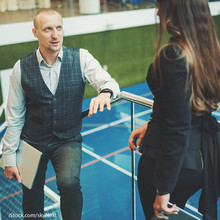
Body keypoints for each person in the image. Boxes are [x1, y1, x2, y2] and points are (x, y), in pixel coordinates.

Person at [1, 8, 120, 220]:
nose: (55, 35)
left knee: (69, 183)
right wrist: (9, 157)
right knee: (31, 195)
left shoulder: (82, 58)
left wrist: (105, 92)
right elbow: (14, 116)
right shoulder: (20, 68)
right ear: (35, 32)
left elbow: (109, 82)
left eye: (59, 28)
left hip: (67, 139)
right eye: (47, 29)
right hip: (32, 140)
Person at [128, 0, 220, 219]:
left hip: (171, 162)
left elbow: (178, 127)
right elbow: (187, 106)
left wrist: (163, 189)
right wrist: (151, 124)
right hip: (201, 157)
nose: (158, 11)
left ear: (173, 11)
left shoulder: (174, 54)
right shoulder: (209, 48)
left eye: (161, 5)